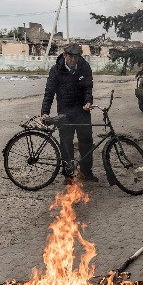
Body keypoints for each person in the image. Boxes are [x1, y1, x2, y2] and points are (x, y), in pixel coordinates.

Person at [41, 43, 97, 184]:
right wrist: (45, 111)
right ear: (64, 55)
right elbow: (49, 92)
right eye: (70, 57)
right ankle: (69, 175)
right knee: (66, 144)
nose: (73, 60)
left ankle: (86, 172)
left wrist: (88, 101)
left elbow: (88, 88)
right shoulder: (56, 70)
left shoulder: (85, 67)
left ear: (79, 56)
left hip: (82, 111)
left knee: (86, 142)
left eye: (76, 57)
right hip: (65, 111)